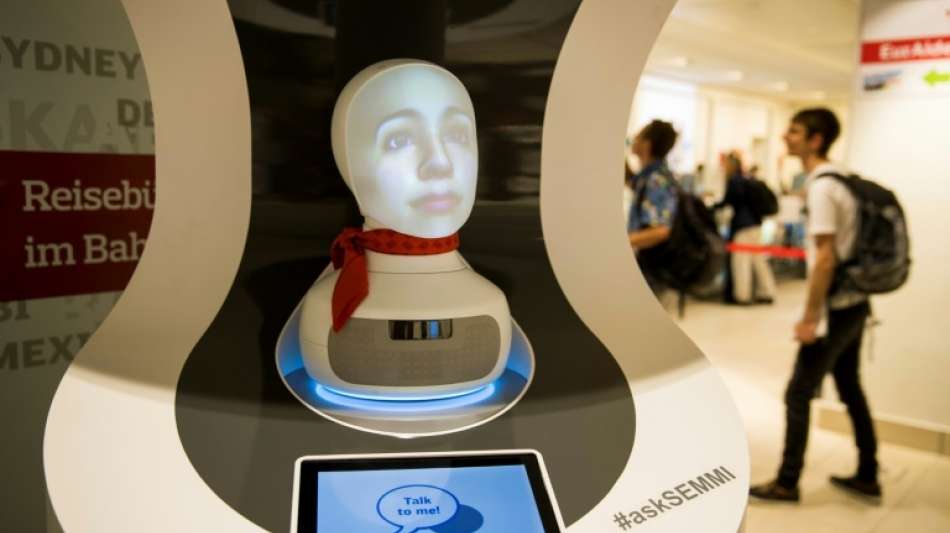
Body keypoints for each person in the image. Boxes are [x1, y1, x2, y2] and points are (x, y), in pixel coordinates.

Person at [750, 108, 880, 502]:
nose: (785, 137)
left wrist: (810, 318)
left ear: (815, 139)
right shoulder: (842, 179)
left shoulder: (823, 188)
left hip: (835, 308)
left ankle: (787, 482)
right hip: (856, 303)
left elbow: (824, 257)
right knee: (850, 387)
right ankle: (868, 473)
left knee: (798, 393)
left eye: (794, 131)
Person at [714, 152, 776, 304]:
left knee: (741, 261)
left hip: (742, 226)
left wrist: (712, 207)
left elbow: (728, 201)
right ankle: (767, 292)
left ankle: (742, 295)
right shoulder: (747, 179)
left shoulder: (734, 181)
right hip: (755, 224)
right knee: (758, 260)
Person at [627, 120, 679, 292]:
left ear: (647, 144)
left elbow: (661, 230)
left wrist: (623, 242)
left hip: (653, 271)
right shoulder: (647, 176)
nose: (634, 139)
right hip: (650, 268)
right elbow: (631, 182)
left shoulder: (656, 179)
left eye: (639, 136)